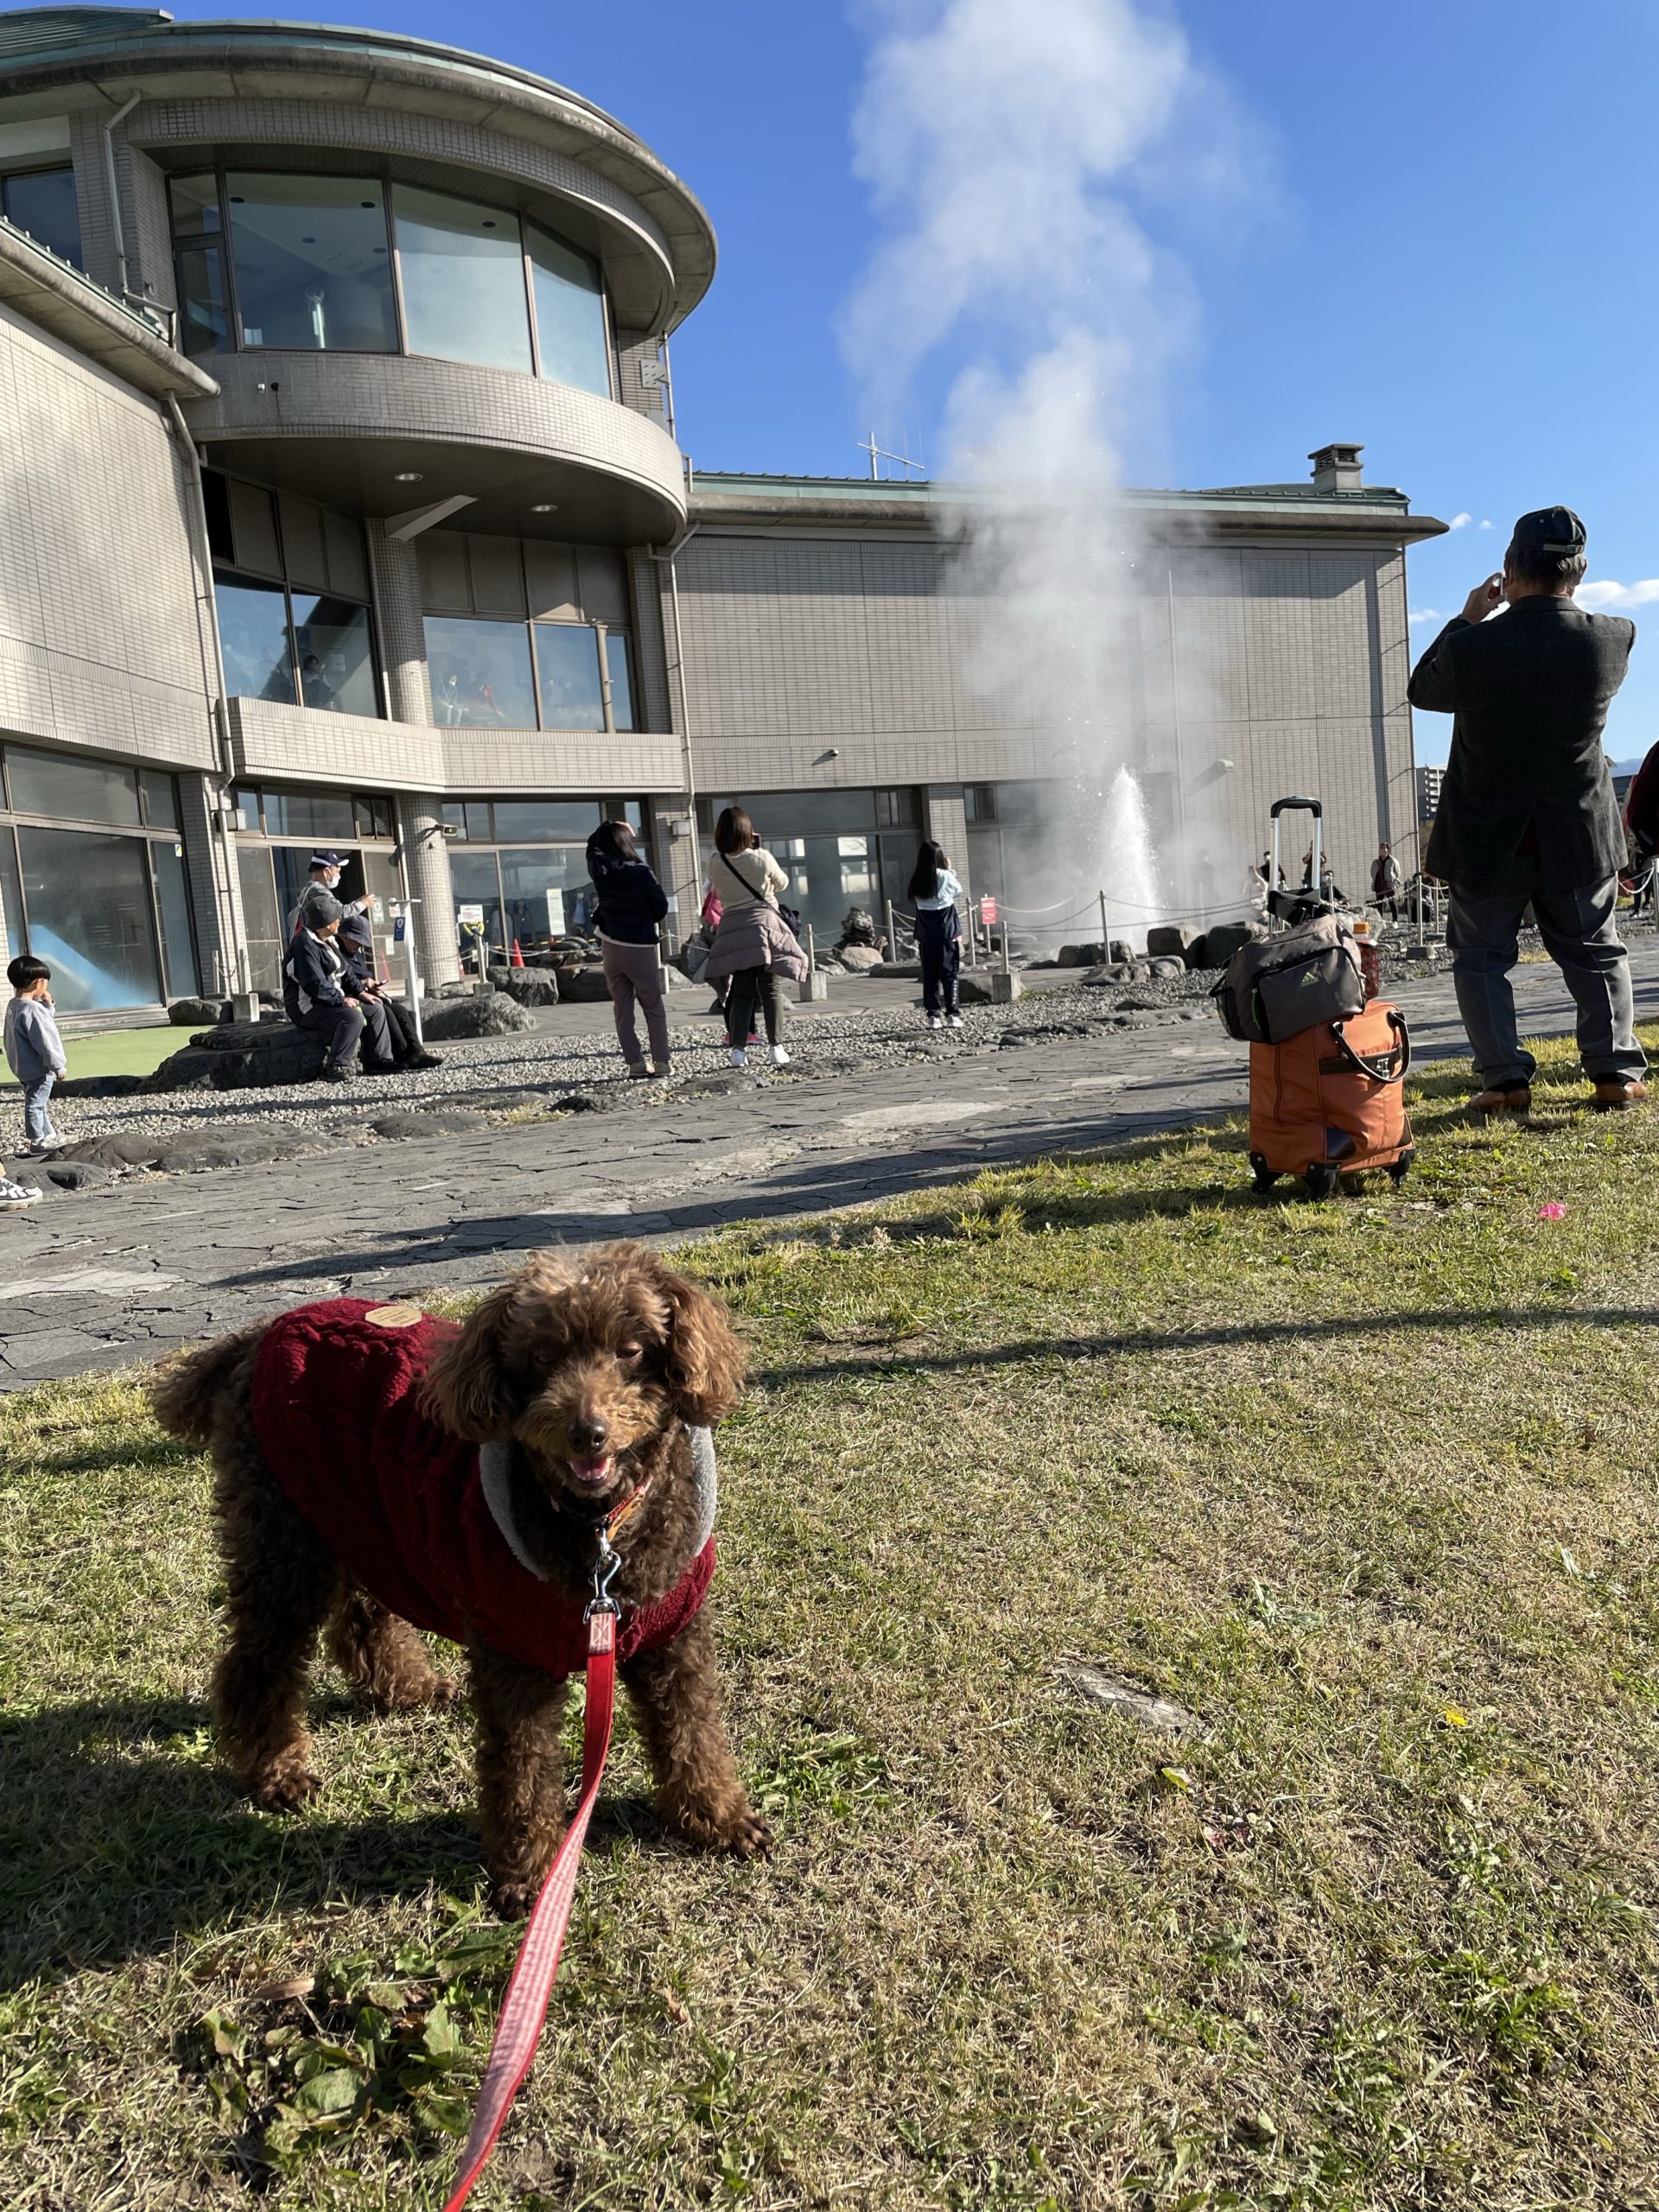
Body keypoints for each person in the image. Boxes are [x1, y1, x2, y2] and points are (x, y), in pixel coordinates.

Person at [1409, 504, 1647, 1113]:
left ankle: (1505, 1081)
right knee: (1595, 951)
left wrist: (1468, 617)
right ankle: (1616, 1073)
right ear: (1580, 571)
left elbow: (1422, 691)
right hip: (1579, 829)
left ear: (1508, 570)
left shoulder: (1474, 646)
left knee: (1482, 960)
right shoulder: (1614, 637)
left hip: (1489, 835)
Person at [706, 804, 795, 1068]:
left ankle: (738, 1051)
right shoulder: (762, 857)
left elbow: (717, 893)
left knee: (742, 991)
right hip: (763, 927)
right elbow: (783, 883)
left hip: (733, 929)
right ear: (748, 832)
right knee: (770, 989)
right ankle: (776, 1048)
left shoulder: (715, 862)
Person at [586, 818, 671, 1078]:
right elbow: (661, 908)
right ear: (626, 843)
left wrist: (607, 826)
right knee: (652, 1006)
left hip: (610, 946)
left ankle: (635, 1063)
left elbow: (591, 847)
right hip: (639, 946)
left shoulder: (601, 872)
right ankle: (661, 1062)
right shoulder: (641, 872)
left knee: (622, 1009)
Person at [283, 895, 395, 1083]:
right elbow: (315, 984)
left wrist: (360, 992)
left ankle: (379, 1060)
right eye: (337, 918)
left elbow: (346, 971)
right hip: (307, 1008)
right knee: (352, 1017)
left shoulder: (329, 939)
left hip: (329, 1001)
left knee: (375, 1009)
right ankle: (336, 1066)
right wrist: (341, 1000)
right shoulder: (304, 944)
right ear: (326, 923)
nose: (340, 921)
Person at [338, 905, 442, 1071]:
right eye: (357, 941)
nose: (359, 946)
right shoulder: (338, 953)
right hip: (351, 995)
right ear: (345, 937)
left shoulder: (356, 953)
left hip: (365, 992)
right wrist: (363, 985)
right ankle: (402, 1054)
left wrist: (370, 984)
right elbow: (345, 978)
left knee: (400, 1010)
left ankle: (416, 1051)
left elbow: (360, 975)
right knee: (384, 1010)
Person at [4, 953, 67, 1155]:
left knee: (38, 1102)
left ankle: (49, 1135)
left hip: (22, 1066)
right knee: (36, 1104)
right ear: (37, 983)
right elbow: (45, 1039)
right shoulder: (32, 1009)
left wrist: (47, 1005)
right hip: (39, 1067)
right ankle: (37, 1140)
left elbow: (40, 1022)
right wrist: (57, 1065)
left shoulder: (14, 1006)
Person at [908, 839, 964, 1029]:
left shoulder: (917, 879)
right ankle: (953, 1014)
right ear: (939, 857)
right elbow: (958, 891)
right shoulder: (945, 876)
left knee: (930, 975)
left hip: (925, 935)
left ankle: (933, 1016)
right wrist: (949, 870)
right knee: (950, 974)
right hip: (947, 933)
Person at [286, 850, 346, 939]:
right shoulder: (318, 890)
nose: (339, 876)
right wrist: (363, 902)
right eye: (337, 871)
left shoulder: (309, 888)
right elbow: (342, 912)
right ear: (326, 872)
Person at [1370, 841, 1403, 921]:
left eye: (1385, 848)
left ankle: (1395, 921)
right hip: (1379, 886)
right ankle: (1380, 920)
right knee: (1379, 904)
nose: (1383, 850)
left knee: (1392, 903)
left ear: (1388, 850)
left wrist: (1394, 882)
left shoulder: (1393, 861)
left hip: (1389, 885)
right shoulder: (1375, 862)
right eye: (1381, 848)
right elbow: (1372, 873)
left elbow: (1398, 872)